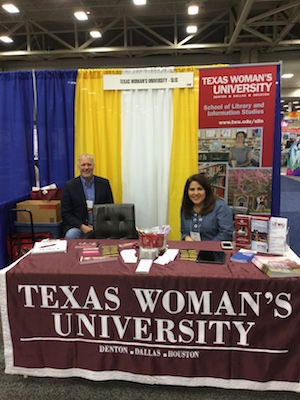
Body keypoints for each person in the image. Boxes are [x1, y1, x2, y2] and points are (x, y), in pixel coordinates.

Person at [61, 154, 114, 239]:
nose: (86, 168)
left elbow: (110, 208)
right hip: (78, 227)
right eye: (83, 165)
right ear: (78, 167)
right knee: (71, 235)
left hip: (100, 226)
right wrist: (82, 227)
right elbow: (66, 214)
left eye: (89, 164)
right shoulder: (69, 186)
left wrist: (99, 226)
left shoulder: (104, 184)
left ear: (93, 166)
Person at [180, 173, 233, 241]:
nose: (196, 193)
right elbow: (184, 231)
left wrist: (204, 248)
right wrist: (186, 237)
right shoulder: (185, 208)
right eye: (192, 189)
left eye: (200, 189)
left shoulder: (221, 208)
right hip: (191, 250)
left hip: (214, 251)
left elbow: (226, 234)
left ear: (206, 190)